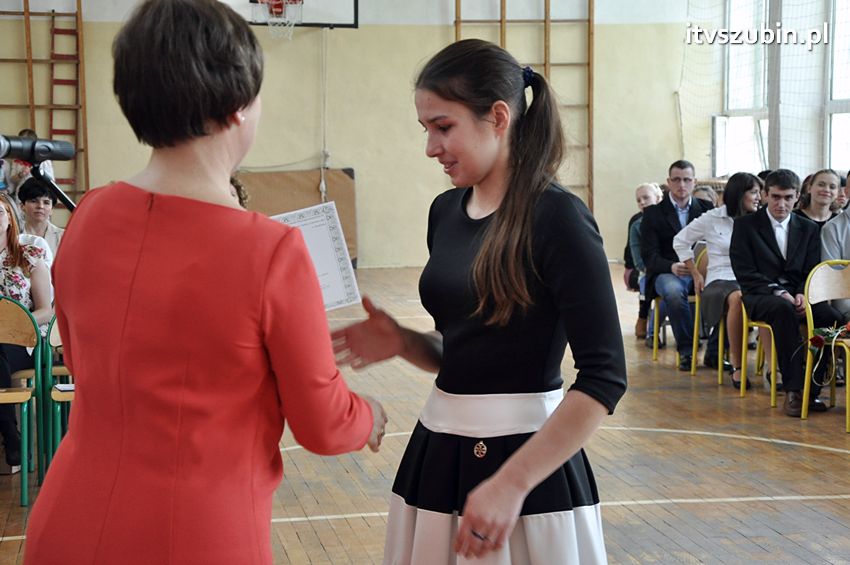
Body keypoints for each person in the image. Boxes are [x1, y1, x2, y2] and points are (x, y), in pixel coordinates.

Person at [23, 1, 386, 563]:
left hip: (66, 518)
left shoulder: (90, 215)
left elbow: (81, 354)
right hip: (192, 534)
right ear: (240, 105)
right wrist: (368, 416)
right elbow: (322, 425)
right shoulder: (271, 250)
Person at [332, 39, 627, 564]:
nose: (431, 147)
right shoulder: (444, 211)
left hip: (529, 464)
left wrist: (512, 483)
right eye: (426, 130)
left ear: (497, 117)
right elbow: (465, 350)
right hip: (439, 447)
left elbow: (604, 378)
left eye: (443, 127)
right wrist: (403, 341)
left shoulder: (558, 218)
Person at [729, 169, 843, 417]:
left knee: (830, 318)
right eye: (776, 197)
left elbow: (811, 270)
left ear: (797, 196)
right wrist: (780, 293)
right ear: (765, 195)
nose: (782, 204)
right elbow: (745, 272)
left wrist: (803, 293)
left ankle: (811, 390)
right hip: (760, 296)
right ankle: (792, 389)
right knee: (783, 311)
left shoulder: (809, 228)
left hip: (798, 296)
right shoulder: (745, 226)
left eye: (788, 198)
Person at [673, 172, 762, 389]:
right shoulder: (712, 218)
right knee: (738, 298)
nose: (759, 197)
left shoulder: (760, 219)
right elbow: (680, 241)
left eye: (760, 192)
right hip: (721, 278)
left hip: (752, 278)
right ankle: (737, 365)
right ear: (739, 194)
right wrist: (695, 272)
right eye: (754, 192)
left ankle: (773, 368)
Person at [640, 160, 714, 370]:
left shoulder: (707, 209)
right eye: (677, 179)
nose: (682, 184)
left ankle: (715, 351)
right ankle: (687, 351)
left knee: (728, 293)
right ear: (668, 182)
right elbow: (649, 256)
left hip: (702, 271)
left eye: (687, 180)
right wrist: (671, 266)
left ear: (694, 182)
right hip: (668, 272)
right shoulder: (652, 213)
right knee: (672, 292)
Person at [0, 198, 53, 467]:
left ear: (10, 218)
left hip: (26, 341)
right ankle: (10, 432)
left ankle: (10, 434)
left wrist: (18, 323)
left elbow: (46, 309)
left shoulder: (29, 254)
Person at [627, 182, 663, 338]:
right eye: (638, 200)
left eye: (646, 198)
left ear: (658, 198)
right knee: (647, 284)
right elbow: (638, 260)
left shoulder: (670, 219)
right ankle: (649, 327)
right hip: (648, 271)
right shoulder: (636, 226)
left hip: (671, 269)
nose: (642, 202)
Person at [17, 176, 64, 255]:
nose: (40, 206)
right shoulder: (12, 235)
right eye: (34, 201)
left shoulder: (63, 237)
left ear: (52, 208)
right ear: (22, 206)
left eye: (46, 202)